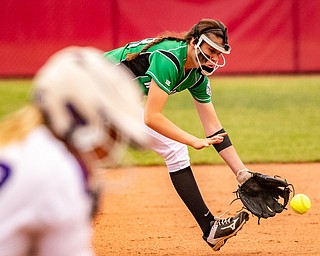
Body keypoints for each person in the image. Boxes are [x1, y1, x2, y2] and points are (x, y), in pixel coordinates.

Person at [103, 18, 253, 251]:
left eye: (218, 53)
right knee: (175, 148)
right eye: (210, 50)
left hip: (115, 97)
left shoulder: (197, 76)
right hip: (92, 88)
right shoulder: (170, 58)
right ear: (194, 43)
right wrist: (192, 140)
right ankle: (210, 228)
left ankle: (210, 229)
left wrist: (243, 174)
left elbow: (214, 127)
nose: (214, 58)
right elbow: (152, 117)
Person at [0, 46, 148, 256]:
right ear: (82, 120)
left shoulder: (13, 145)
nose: (116, 141)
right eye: (112, 127)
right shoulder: (59, 174)